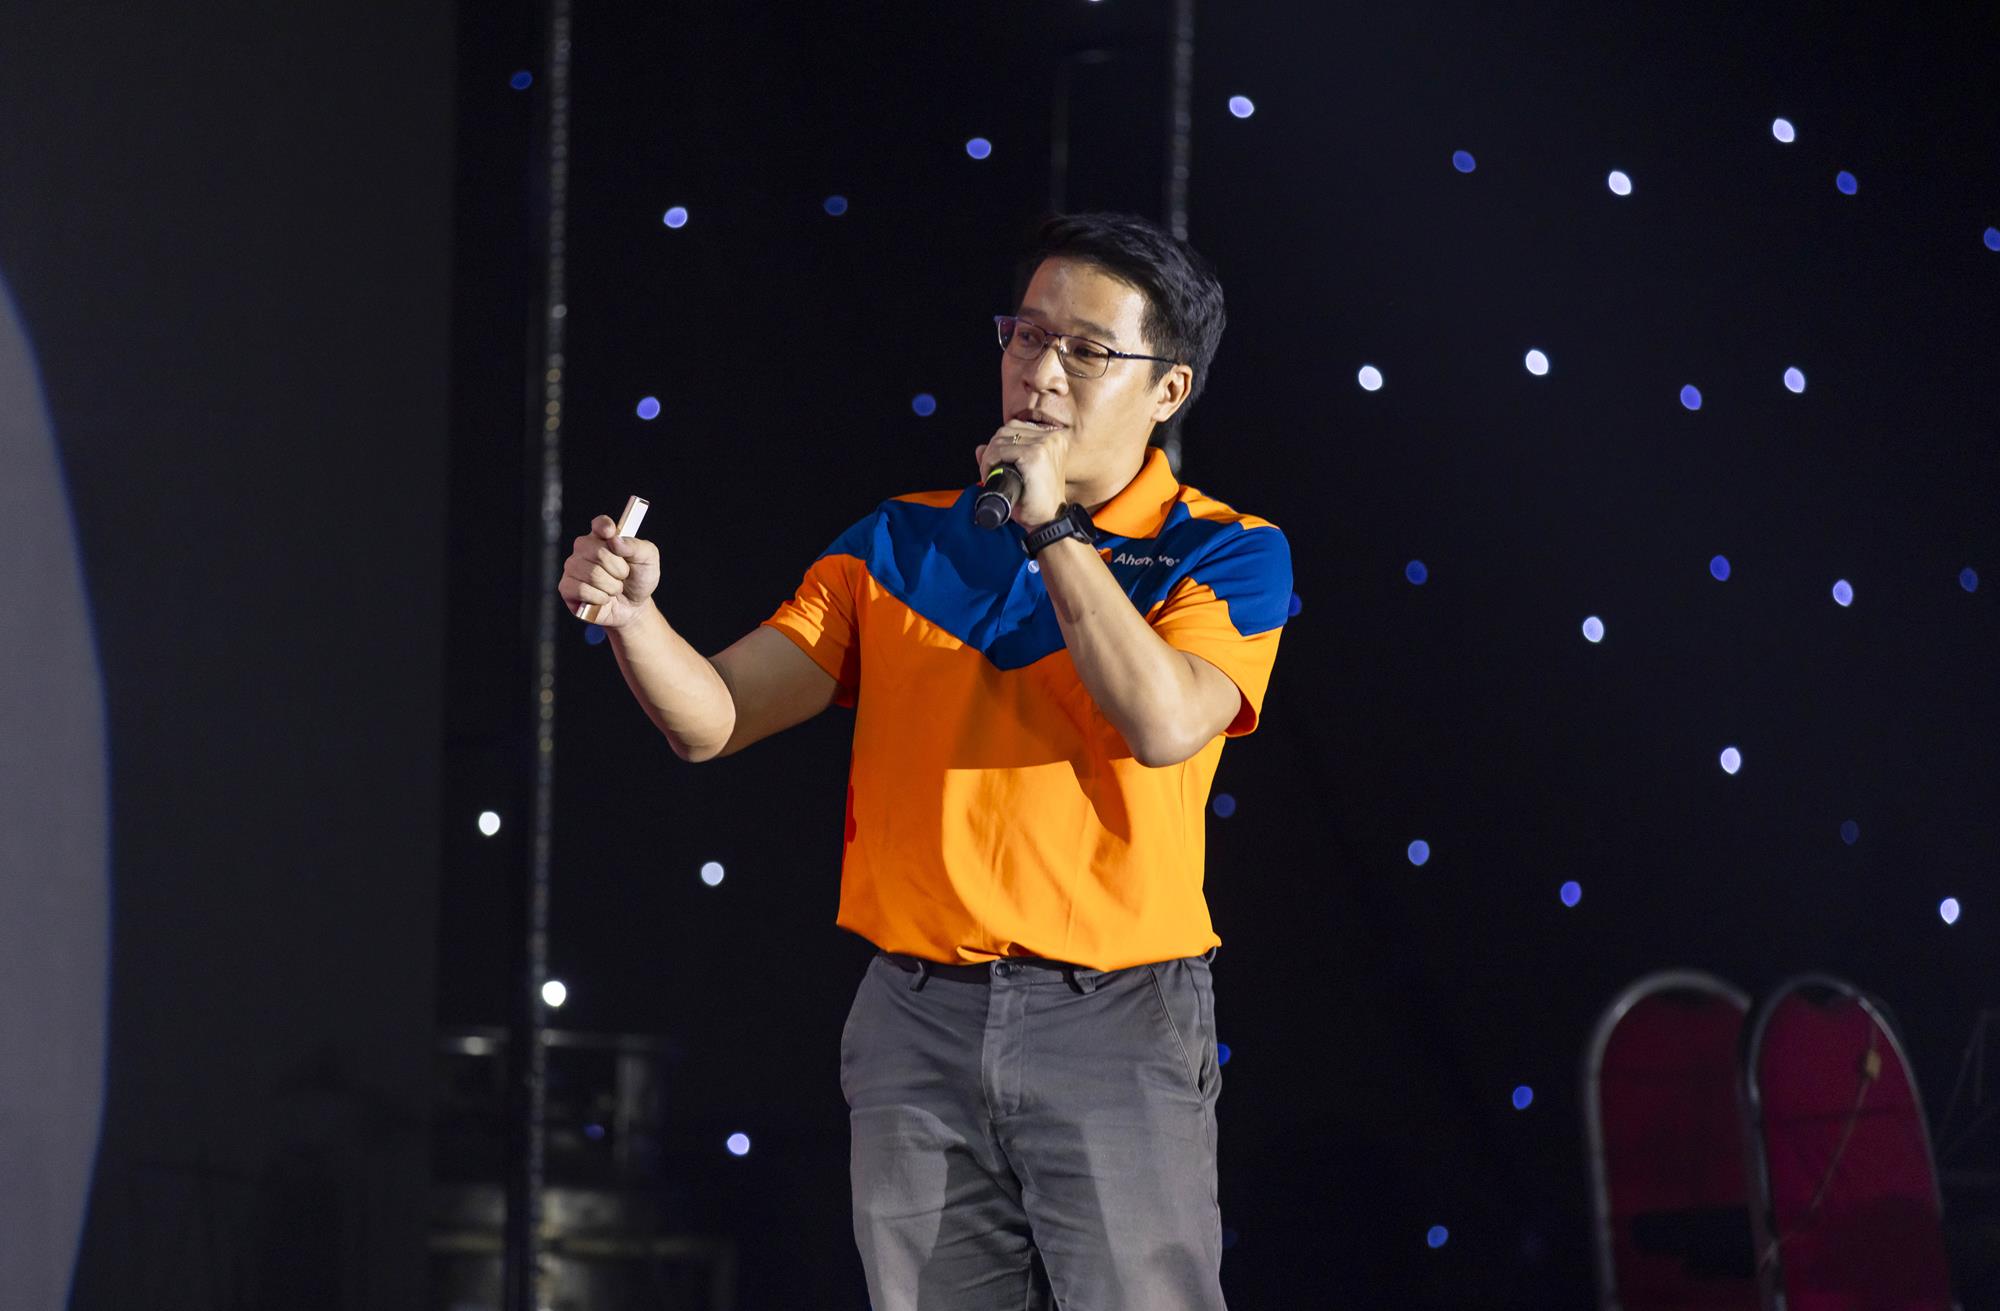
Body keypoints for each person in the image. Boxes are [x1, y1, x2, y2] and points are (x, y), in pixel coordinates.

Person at [559, 211, 1290, 1310]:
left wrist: (1054, 534)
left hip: (1115, 1015)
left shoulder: (1224, 550)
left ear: (1168, 390)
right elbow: (713, 717)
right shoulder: (898, 542)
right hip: (916, 1017)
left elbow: (1162, 721)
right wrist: (634, 620)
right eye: (1026, 334)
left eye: (1086, 350)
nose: (1041, 370)